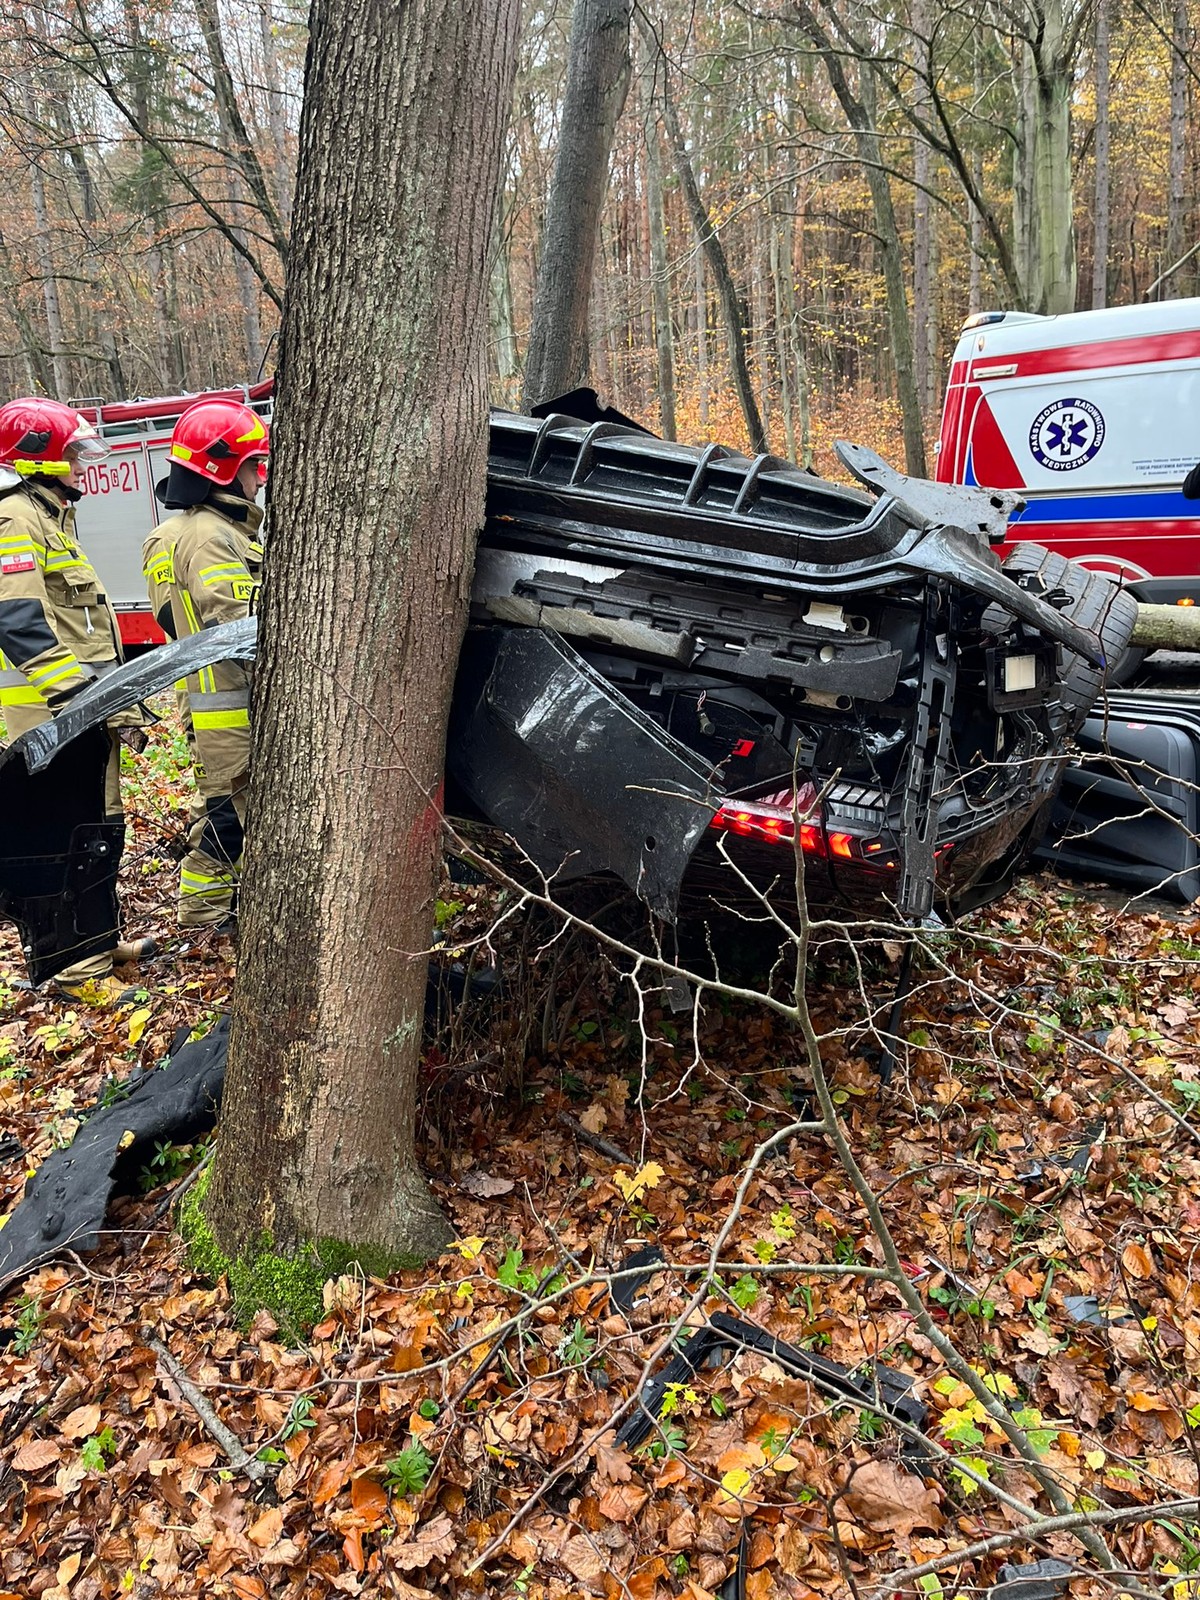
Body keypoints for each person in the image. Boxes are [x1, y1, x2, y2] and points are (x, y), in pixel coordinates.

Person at [0, 397, 154, 1004]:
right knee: (64, 834)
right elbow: (18, 621)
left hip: (78, 713)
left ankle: (98, 940)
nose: (81, 468)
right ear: (36, 459)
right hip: (52, 717)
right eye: (71, 456)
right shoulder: (16, 518)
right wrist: (80, 702)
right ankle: (71, 969)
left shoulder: (51, 516)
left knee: (97, 826)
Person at [150, 398, 267, 929]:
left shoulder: (186, 531)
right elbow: (241, 625)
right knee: (227, 822)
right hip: (228, 709)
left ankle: (213, 911)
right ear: (221, 467)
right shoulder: (211, 537)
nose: (259, 476)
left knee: (223, 812)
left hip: (211, 703)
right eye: (252, 464)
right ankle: (202, 919)